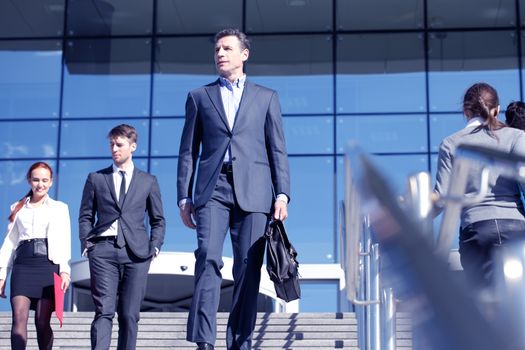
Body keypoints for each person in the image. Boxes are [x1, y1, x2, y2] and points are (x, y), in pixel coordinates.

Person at [177, 28, 291, 350]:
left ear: (244, 54)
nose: (220, 54)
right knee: (208, 257)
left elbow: (277, 150)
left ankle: (240, 342)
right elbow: (189, 151)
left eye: (227, 48)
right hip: (213, 188)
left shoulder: (267, 97)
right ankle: (204, 341)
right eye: (216, 49)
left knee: (247, 267)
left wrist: (282, 194)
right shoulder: (199, 96)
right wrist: (184, 197)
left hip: (255, 192)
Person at [79, 124, 166, 350]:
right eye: (111, 145)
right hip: (103, 251)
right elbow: (85, 215)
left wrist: (154, 247)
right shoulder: (96, 178)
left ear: (132, 146)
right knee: (104, 311)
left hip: (136, 254)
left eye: (119, 144)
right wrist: (87, 244)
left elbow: (158, 220)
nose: (114, 149)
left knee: (129, 315)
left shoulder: (149, 181)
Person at [434, 83, 525, 290]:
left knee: (485, 304)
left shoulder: (451, 143)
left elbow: (441, 198)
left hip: (476, 230)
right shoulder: (516, 136)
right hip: (517, 228)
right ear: (497, 109)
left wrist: (416, 212)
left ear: (466, 112)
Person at [0, 161, 71, 349]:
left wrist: (65, 270)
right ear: (29, 181)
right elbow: (9, 243)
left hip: (48, 266)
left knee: (42, 322)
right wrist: (1, 276)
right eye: (36, 179)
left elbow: (64, 240)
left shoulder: (60, 208)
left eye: (45, 180)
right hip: (22, 267)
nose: (40, 184)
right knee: (18, 319)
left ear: (51, 182)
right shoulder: (17, 207)